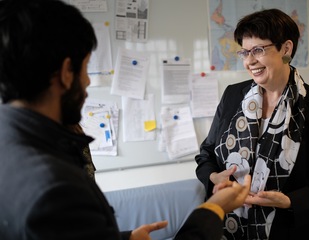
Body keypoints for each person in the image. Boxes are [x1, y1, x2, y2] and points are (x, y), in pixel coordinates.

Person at [0, 0, 251, 240]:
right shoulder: (56, 186)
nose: (87, 82)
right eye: (86, 69)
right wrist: (214, 208)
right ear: (67, 73)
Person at [195, 8, 309, 240]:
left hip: (287, 232)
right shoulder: (233, 96)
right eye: (245, 52)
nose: (249, 61)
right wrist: (214, 177)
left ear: (286, 48)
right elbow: (206, 154)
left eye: (258, 50)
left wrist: (289, 201)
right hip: (228, 229)